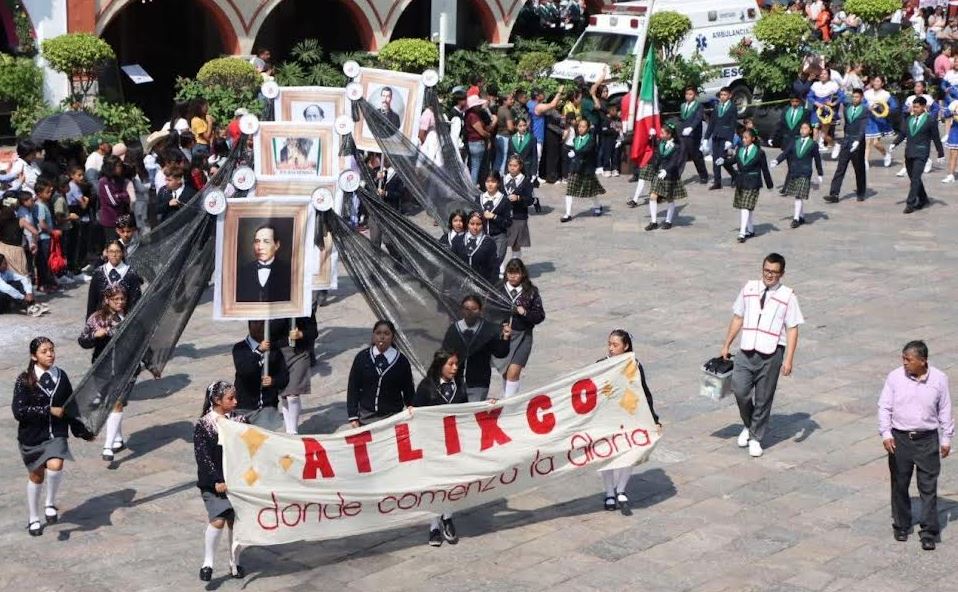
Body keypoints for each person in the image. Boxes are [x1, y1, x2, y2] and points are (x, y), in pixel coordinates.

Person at [720, 253, 804, 458]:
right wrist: (727, 344)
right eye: (767, 270)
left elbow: (792, 328)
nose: (770, 275)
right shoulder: (749, 288)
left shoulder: (788, 296)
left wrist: (789, 359)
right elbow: (738, 316)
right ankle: (749, 425)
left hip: (771, 352)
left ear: (781, 274)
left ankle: (756, 436)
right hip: (746, 349)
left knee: (764, 397)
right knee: (740, 390)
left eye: (774, 272)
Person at [12, 337, 94, 536]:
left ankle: (50, 502)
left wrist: (80, 430)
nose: (50, 354)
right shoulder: (24, 380)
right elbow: (19, 411)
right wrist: (48, 410)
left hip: (56, 432)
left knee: (56, 465)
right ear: (34, 356)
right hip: (32, 436)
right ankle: (33, 517)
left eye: (51, 350)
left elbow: (70, 406)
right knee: (37, 476)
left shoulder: (61, 376)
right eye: (44, 351)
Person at [878, 340, 953, 551]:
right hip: (900, 439)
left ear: (923, 361)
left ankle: (929, 531)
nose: (904, 363)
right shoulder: (894, 377)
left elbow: (945, 409)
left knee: (928, 487)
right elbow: (884, 406)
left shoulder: (939, 379)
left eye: (908, 359)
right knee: (899, 484)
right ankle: (901, 524)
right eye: (903, 358)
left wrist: (946, 438)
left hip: (927, 439)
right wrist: (885, 433)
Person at [598, 329, 661, 511]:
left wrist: (653, 419)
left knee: (629, 453)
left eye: (615, 345)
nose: (611, 348)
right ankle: (609, 492)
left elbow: (643, 392)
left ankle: (621, 490)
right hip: (607, 418)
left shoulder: (634, 365)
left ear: (626, 346)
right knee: (606, 455)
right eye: (609, 344)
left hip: (629, 415)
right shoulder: (601, 365)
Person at [413, 350, 468, 546]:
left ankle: (448, 517)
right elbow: (416, 413)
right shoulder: (427, 387)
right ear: (441, 365)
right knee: (435, 484)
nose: (455, 368)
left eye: (456, 364)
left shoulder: (460, 386)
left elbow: (466, 411)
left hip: (453, 443)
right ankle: (434, 526)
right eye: (451, 364)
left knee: (451, 482)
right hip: (432, 443)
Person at [193, 381, 247, 580]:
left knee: (236, 522)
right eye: (230, 398)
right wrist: (216, 479)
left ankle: (235, 562)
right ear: (217, 400)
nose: (235, 401)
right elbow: (203, 457)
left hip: (237, 481)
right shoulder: (204, 425)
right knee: (218, 519)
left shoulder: (240, 420)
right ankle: (208, 563)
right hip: (214, 484)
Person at [78, 286, 133, 461]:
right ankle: (115, 440)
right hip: (103, 367)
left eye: (122, 299)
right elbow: (83, 340)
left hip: (126, 367)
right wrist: (95, 335)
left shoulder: (131, 315)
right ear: (107, 300)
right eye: (115, 299)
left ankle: (109, 445)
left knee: (116, 403)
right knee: (112, 403)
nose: (119, 302)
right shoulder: (97, 318)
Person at [346, 320, 416, 427]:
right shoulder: (362, 358)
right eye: (378, 333)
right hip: (366, 416)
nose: (382, 337)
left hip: (392, 418)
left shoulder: (401, 361)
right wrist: (353, 416)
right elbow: (353, 387)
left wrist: (412, 406)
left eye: (386, 334)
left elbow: (408, 389)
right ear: (373, 336)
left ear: (393, 337)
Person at [442, 295, 511, 401]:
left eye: (474, 309)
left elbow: (500, 353)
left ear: (481, 310)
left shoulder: (488, 329)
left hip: (479, 382)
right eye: (466, 309)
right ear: (461, 310)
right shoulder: (454, 330)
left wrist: (506, 337)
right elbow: (444, 354)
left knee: (473, 414)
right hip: (455, 382)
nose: (470, 312)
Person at [493, 259, 545, 398]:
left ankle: (509, 405)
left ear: (522, 274)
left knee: (514, 372)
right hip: (504, 336)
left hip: (524, 336)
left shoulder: (531, 291)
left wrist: (525, 313)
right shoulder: (498, 289)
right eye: (510, 272)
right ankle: (508, 397)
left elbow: (540, 316)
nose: (513, 276)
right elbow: (489, 311)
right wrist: (501, 326)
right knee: (505, 371)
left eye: (517, 273)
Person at [889, 97, 945, 214]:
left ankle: (910, 203)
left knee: (915, 178)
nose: (914, 109)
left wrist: (941, 153)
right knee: (914, 178)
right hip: (909, 152)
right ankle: (924, 198)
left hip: (922, 153)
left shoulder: (930, 120)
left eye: (917, 107)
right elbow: (903, 134)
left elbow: (936, 138)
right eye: (913, 107)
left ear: (924, 107)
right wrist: (894, 143)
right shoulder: (909, 119)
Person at [231, 320, 289, 429]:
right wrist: (259, 351)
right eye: (256, 323)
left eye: (263, 323)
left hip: (268, 408)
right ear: (249, 324)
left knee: (265, 443)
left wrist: (273, 381)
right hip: (244, 408)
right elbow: (245, 371)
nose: (260, 326)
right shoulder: (240, 348)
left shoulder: (274, 350)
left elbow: (284, 377)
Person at [770, 122, 823, 228]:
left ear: (810, 130)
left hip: (805, 172)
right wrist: (777, 161)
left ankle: (796, 219)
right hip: (795, 171)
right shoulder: (795, 141)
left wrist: (820, 174)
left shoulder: (813, 144)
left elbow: (817, 160)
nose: (803, 130)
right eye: (801, 128)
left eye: (805, 128)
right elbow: (786, 153)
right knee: (798, 195)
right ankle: (801, 216)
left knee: (798, 195)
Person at [271, 316, 317, 434]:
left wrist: (301, 334)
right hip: (279, 353)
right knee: (285, 395)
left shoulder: (304, 307)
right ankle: (289, 428)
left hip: (299, 353)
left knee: (293, 395)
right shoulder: (275, 306)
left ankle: (293, 430)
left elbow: (313, 331)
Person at [825, 88, 868, 203]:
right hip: (847, 141)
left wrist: (858, 141)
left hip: (857, 142)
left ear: (862, 98)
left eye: (857, 97)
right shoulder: (847, 108)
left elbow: (863, 127)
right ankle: (834, 194)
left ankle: (861, 191)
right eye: (853, 97)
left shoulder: (864, 110)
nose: (855, 99)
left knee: (859, 169)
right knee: (840, 168)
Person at [731, 129, 773, 243]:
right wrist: (723, 160)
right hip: (741, 182)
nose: (743, 140)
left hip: (753, 182)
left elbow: (765, 169)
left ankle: (742, 232)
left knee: (745, 206)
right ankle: (751, 230)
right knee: (746, 207)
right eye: (743, 137)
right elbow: (732, 161)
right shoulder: (739, 150)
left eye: (746, 137)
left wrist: (769, 184)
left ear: (753, 139)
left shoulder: (759, 152)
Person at [645, 122, 687, 231]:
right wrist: (652, 167)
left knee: (669, 198)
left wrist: (666, 170)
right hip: (659, 174)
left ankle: (668, 221)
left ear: (670, 135)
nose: (661, 134)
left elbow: (675, 162)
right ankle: (653, 222)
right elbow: (657, 156)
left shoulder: (677, 147)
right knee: (653, 196)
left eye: (663, 133)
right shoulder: (661, 143)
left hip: (670, 175)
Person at [561, 118, 605, 222]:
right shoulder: (576, 139)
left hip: (586, 169)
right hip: (575, 168)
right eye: (579, 126)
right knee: (569, 190)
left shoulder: (591, 139)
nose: (580, 129)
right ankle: (568, 214)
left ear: (588, 128)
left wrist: (575, 153)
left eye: (583, 126)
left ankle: (598, 206)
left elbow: (587, 150)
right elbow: (572, 148)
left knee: (591, 191)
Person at [86, 240, 143, 317]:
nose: (114, 255)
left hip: (124, 320)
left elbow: (135, 302)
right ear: (106, 253)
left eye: (118, 251)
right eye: (111, 251)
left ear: (123, 253)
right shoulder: (98, 273)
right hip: (101, 322)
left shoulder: (131, 274)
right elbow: (92, 302)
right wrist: (90, 324)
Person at [236, 224, 292, 303]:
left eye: (266, 242)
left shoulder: (288, 271)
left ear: (277, 245)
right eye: (257, 241)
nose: (260, 247)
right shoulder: (243, 271)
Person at [502, 156, 535, 274]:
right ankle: (501, 267)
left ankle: (515, 265)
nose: (512, 168)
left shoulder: (525, 181)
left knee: (516, 243)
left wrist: (519, 198)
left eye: (515, 166)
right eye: (510, 166)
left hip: (519, 215)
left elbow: (530, 200)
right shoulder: (503, 180)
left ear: (520, 166)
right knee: (502, 242)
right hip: (504, 216)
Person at [476, 171, 513, 269]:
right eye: (487, 181)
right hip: (482, 237)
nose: (490, 184)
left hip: (499, 237)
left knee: (494, 264)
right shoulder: (478, 198)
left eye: (493, 181)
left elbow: (508, 222)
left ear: (498, 183)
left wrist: (494, 216)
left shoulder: (504, 200)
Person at [705, 88, 738, 190]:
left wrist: (730, 139)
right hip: (716, 136)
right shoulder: (717, 107)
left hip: (725, 137)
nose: (722, 96)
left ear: (729, 95)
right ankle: (717, 182)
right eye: (721, 95)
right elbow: (712, 123)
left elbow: (733, 124)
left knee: (722, 159)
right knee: (716, 159)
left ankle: (735, 174)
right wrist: (706, 138)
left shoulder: (732, 107)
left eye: (725, 94)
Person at [452, 211, 499, 283]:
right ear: (467, 224)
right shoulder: (458, 240)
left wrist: (491, 286)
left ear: (483, 225)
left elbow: (494, 268)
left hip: (481, 284)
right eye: (472, 224)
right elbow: (451, 263)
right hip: (460, 283)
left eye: (478, 224)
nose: (475, 227)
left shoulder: (489, 242)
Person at [677, 86, 709, 184]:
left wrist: (691, 128)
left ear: (695, 95)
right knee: (681, 155)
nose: (688, 96)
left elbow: (698, 118)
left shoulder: (698, 105)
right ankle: (676, 177)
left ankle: (703, 175)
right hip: (683, 134)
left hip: (694, 134)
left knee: (696, 156)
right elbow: (682, 119)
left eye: (690, 94)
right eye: (687, 94)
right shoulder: (683, 105)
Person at [863, 76, 896, 168]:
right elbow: (863, 103)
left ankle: (886, 154)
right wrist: (867, 107)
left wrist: (885, 109)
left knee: (875, 143)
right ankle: (865, 161)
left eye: (878, 81)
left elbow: (893, 106)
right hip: (869, 119)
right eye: (875, 81)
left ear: (882, 83)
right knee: (867, 141)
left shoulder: (886, 94)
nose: (876, 83)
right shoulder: (867, 93)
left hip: (879, 120)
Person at [809, 68, 841, 159]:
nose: (822, 75)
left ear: (829, 76)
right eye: (821, 74)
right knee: (815, 130)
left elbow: (842, 96)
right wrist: (816, 103)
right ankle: (814, 152)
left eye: (825, 74)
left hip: (826, 111)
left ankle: (835, 145)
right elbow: (809, 97)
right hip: (816, 110)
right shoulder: (815, 85)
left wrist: (833, 103)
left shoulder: (833, 85)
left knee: (823, 135)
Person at [507, 118, 539, 189]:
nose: (523, 128)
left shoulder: (532, 138)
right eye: (520, 126)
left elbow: (534, 156)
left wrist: (534, 172)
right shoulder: (512, 138)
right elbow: (508, 156)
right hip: (515, 170)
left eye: (524, 125)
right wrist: (506, 171)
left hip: (527, 169)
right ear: (516, 127)